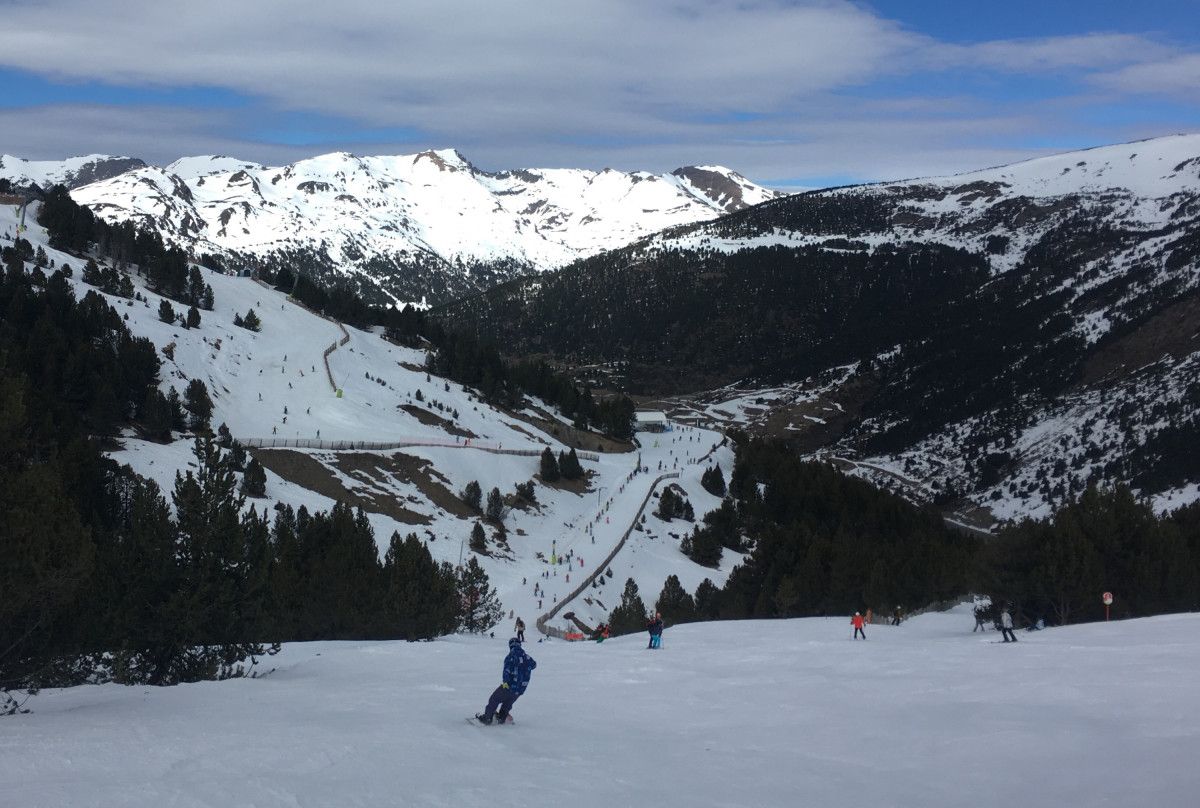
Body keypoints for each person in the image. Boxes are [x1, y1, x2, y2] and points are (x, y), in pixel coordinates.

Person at [476, 638, 537, 725]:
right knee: (508, 702)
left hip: (510, 685)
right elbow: (534, 665)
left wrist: (505, 683)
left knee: (494, 699)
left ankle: (487, 718)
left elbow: (506, 671)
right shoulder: (527, 657)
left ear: (510, 646)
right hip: (521, 688)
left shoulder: (510, 657)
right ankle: (502, 718)